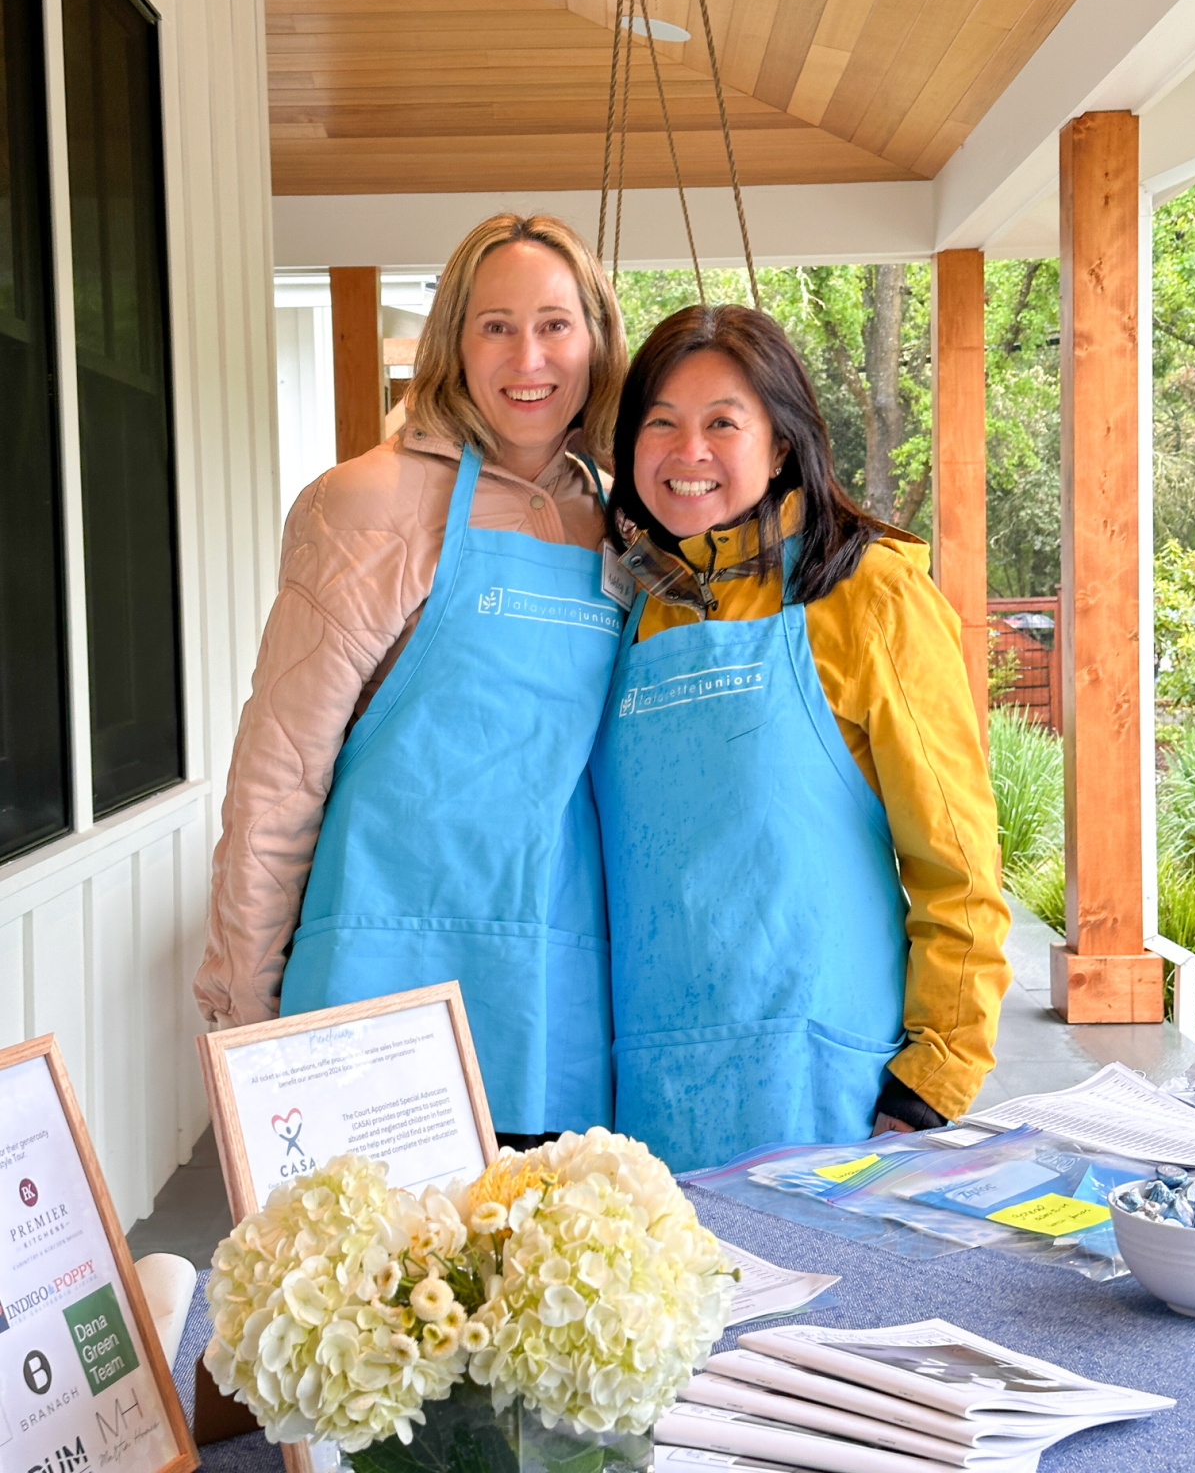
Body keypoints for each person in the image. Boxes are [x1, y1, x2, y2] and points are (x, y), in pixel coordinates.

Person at [194, 214, 628, 1147]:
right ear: (453, 345)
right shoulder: (367, 502)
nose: (528, 356)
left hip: (557, 996)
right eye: (495, 324)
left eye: (555, 324)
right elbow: (278, 778)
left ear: (596, 340)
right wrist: (242, 1013)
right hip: (377, 986)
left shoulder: (623, 522)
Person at [590, 304, 1011, 1174]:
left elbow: (958, 867)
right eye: (659, 423)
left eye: (722, 423)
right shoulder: (627, 613)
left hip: (832, 1092)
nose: (687, 451)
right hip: (649, 1099)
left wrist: (930, 1084)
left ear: (781, 444)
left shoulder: (870, 594)